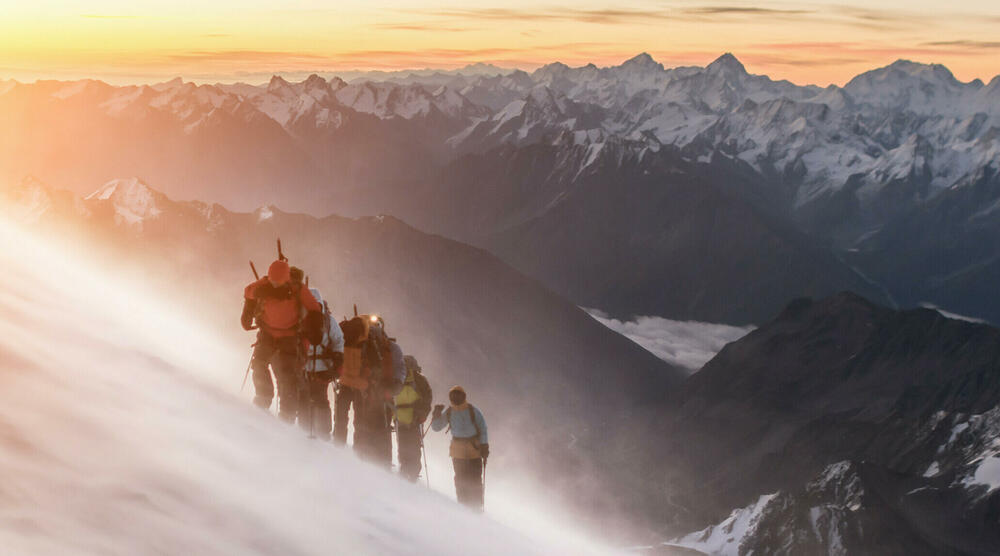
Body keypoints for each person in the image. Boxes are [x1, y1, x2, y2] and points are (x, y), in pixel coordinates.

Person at [241, 259, 322, 422]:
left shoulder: (298, 289)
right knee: (259, 363)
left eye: (279, 282)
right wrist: (247, 313)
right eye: (272, 281)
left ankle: (288, 414)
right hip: (267, 333)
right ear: (269, 277)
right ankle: (263, 397)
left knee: (288, 375)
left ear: (287, 279)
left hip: (290, 336)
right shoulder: (264, 283)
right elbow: (248, 292)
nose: (275, 285)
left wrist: (315, 328)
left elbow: (314, 308)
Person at [334, 314, 405, 465]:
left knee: (359, 424)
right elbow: (400, 372)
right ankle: (382, 464)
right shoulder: (391, 347)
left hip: (354, 384)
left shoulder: (358, 338)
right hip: (376, 390)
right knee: (379, 428)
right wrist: (393, 389)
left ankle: (352, 455)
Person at [431, 386, 489, 511]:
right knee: (465, 478)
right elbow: (436, 427)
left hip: (467, 451)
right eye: (453, 395)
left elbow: (483, 428)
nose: (455, 398)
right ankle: (469, 505)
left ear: (463, 396)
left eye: (457, 395)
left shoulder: (466, 411)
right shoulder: (456, 411)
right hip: (469, 450)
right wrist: (435, 415)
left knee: (470, 478)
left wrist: (485, 446)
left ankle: (471, 505)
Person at [298, 288, 345, 440]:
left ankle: (308, 429)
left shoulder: (301, 316)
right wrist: (337, 359)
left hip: (307, 365)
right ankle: (321, 432)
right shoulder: (328, 320)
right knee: (318, 398)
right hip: (322, 366)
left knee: (308, 397)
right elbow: (338, 340)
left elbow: (338, 341)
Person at [393, 355, 432, 482]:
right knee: (414, 446)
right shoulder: (420, 380)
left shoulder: (396, 376)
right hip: (414, 418)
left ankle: (406, 472)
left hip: (399, 416)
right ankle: (413, 473)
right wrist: (422, 414)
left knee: (403, 445)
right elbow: (427, 399)